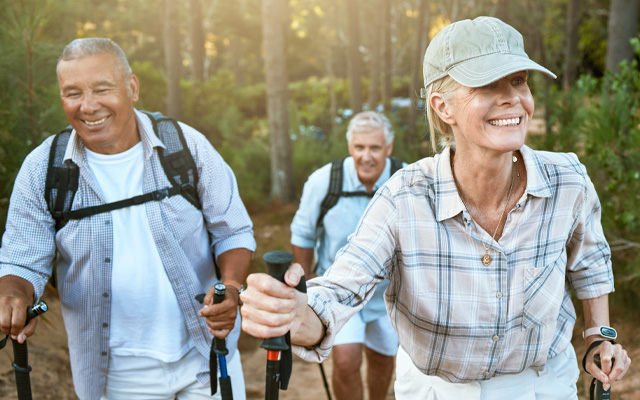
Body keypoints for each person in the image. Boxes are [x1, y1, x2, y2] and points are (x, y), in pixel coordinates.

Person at [239, 16, 632, 399]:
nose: (512, 97)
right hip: (435, 390)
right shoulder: (403, 199)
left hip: (542, 384)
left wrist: (600, 336)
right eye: (487, 84)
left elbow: (590, 263)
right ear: (444, 108)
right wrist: (295, 314)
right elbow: (340, 290)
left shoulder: (568, 180)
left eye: (518, 80)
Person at [0, 38, 255, 400]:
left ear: (132, 87)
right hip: (114, 377)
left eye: (102, 89)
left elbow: (233, 232)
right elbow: (21, 262)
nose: (88, 106)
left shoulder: (186, 146)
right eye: (72, 93)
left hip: (206, 358)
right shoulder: (43, 169)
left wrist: (231, 288)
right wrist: (13, 294)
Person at [290, 111, 402, 400]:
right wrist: (303, 289)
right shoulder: (324, 181)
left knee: (382, 359)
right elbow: (303, 234)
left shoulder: (404, 180)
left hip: (388, 295)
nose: (366, 156)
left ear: (388, 148)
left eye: (375, 148)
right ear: (350, 147)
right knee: (346, 360)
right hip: (340, 292)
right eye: (359, 148)